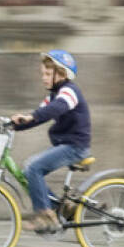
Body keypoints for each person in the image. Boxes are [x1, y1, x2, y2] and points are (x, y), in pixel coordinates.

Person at [11, 50, 92, 234]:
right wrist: (14, 125)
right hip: (67, 145)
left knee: (33, 167)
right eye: (43, 74)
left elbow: (55, 109)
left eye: (48, 74)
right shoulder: (54, 95)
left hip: (76, 147)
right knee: (28, 171)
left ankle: (45, 216)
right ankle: (61, 208)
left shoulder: (69, 91)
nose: (44, 78)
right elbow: (38, 117)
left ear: (61, 73)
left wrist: (31, 115)